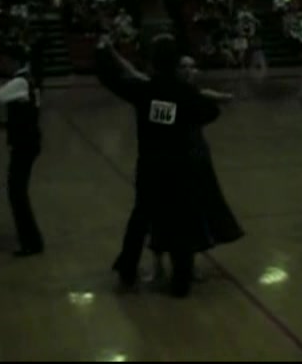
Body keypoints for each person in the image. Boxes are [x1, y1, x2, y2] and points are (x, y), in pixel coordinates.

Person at [95, 33, 234, 297]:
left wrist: (102, 52)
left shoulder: (145, 90)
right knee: (181, 223)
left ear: (153, 63)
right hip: (180, 166)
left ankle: (127, 270)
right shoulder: (185, 93)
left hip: (150, 165)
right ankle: (180, 282)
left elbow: (111, 80)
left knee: (140, 218)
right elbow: (210, 112)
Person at [149, 55, 244, 280]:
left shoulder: (192, 98)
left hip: (195, 158)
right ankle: (158, 263)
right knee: (160, 211)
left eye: (192, 66)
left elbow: (208, 112)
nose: (189, 70)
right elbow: (159, 121)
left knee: (196, 211)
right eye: (183, 66)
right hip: (167, 160)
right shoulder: (165, 95)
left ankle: (188, 263)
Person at [0, 46, 44, 257]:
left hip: (24, 144)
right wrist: (6, 123)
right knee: (17, 192)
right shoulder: (30, 80)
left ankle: (31, 242)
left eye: (5, 60)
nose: (2, 65)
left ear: (15, 61)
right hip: (28, 141)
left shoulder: (19, 81)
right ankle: (31, 240)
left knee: (17, 193)